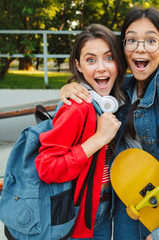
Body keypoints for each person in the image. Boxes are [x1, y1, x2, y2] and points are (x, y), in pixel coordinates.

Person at [59, 7, 159, 240]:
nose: (140, 48)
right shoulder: (121, 89)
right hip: (127, 210)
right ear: (123, 48)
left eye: (151, 41)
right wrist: (70, 87)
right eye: (131, 40)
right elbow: (92, 84)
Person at [35, 24, 126, 239]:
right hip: (79, 213)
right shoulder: (77, 106)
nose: (101, 68)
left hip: (107, 205)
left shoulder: (118, 100)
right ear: (79, 65)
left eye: (109, 58)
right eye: (91, 60)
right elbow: (47, 168)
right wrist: (99, 139)